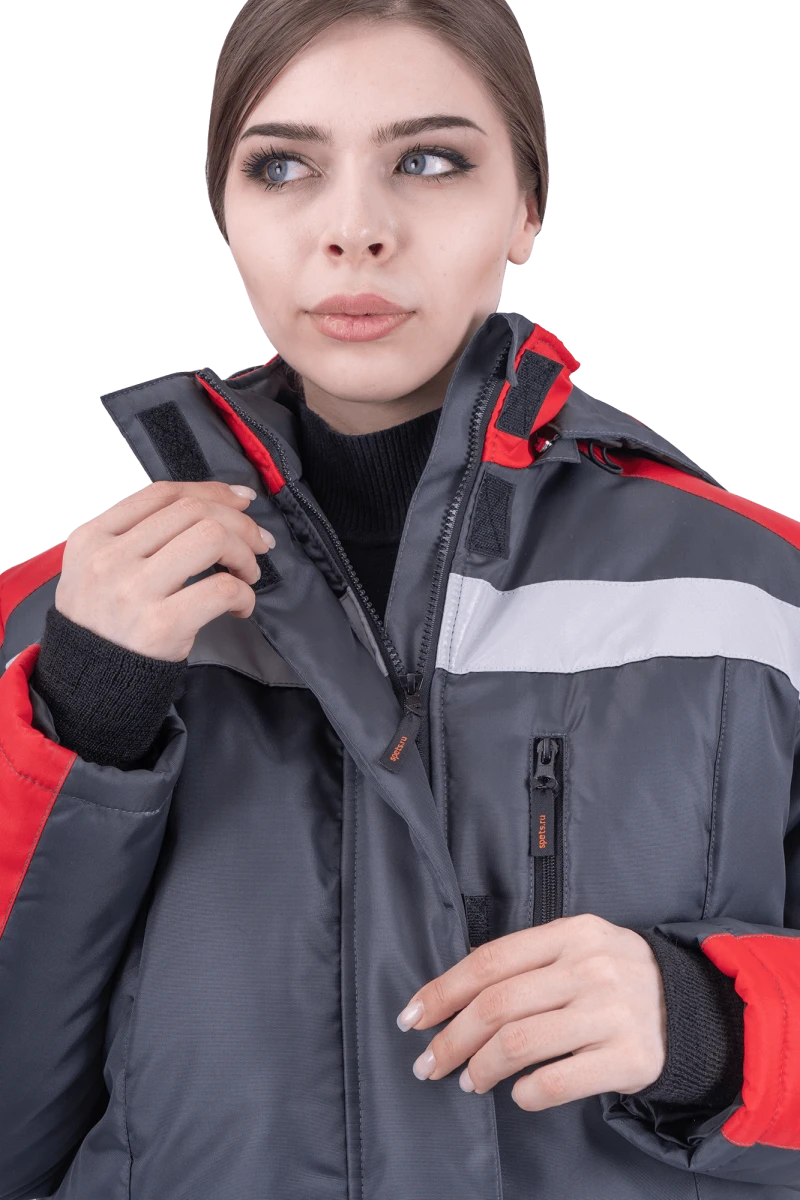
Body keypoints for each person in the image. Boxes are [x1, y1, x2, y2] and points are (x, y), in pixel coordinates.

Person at [1, 2, 798, 1197]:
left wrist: (714, 1028)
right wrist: (82, 717)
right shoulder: (58, 621)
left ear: (526, 205)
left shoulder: (757, 594)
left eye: (427, 161)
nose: (353, 230)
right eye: (283, 167)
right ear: (224, 213)